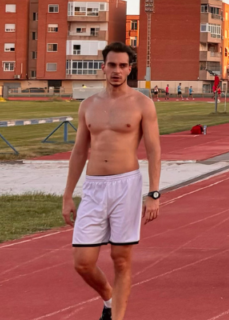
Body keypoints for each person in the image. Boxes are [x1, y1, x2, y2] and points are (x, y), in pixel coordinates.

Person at [62, 42, 161, 320]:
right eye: (112, 65)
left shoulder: (143, 104)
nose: (117, 70)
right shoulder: (88, 105)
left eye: (122, 65)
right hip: (94, 188)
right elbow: (79, 151)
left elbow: (154, 151)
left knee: (120, 259)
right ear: (102, 67)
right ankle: (109, 297)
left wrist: (154, 194)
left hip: (126, 186)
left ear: (130, 69)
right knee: (82, 263)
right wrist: (68, 194)